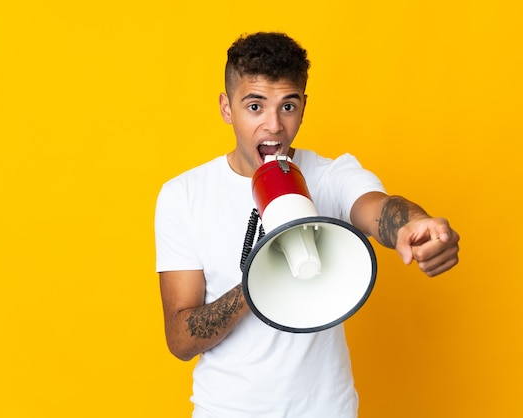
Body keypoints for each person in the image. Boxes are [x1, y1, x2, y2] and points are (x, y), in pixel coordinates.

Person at [155, 32, 460, 417]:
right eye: (254, 106)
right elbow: (181, 339)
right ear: (226, 107)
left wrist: (413, 226)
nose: (274, 126)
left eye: (288, 106)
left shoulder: (331, 175)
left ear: (303, 106)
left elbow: (378, 208)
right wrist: (260, 281)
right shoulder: (184, 195)